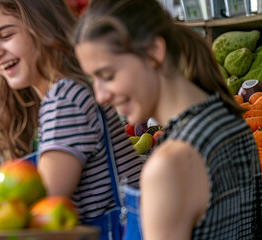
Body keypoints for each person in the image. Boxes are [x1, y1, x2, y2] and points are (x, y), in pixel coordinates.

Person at [73, 0, 262, 239]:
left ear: (154, 53)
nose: (100, 96)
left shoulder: (168, 165)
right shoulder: (232, 121)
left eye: (107, 75)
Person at [0, 0, 143, 239]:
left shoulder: (64, 100)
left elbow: (44, 215)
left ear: (43, 27)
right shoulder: (63, 94)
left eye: (5, 35)